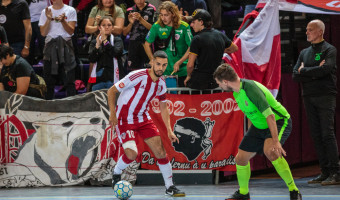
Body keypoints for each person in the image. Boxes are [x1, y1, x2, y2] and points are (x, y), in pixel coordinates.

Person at [213, 63, 302, 200]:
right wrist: (250, 136)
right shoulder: (236, 93)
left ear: (225, 81)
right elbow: (250, 114)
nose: (220, 86)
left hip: (278, 121)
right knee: (240, 158)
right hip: (258, 125)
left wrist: (276, 142)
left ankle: (294, 190)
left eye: (219, 83)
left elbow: (270, 116)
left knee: (272, 152)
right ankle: (243, 193)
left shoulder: (251, 89)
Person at [107, 50, 185, 197]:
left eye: (164, 65)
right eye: (158, 64)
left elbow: (163, 106)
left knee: (160, 152)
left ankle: (170, 187)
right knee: (131, 154)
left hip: (143, 118)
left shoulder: (161, 84)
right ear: (151, 62)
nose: (161, 68)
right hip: (124, 119)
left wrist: (169, 130)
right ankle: (116, 173)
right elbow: (112, 91)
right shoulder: (137, 76)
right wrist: (112, 113)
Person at [292, 19, 340, 185]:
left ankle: (336, 172)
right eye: (306, 29)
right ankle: (325, 171)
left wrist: (304, 70)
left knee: (327, 133)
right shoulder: (304, 52)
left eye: (310, 30)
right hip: (308, 96)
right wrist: (315, 71)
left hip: (325, 95)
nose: (307, 32)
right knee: (316, 134)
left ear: (320, 31)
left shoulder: (329, 49)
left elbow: (326, 69)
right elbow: (294, 75)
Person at [184, 9, 238, 90]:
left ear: (201, 22)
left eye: (193, 22)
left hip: (199, 83)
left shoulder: (196, 39)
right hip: (216, 82)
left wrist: (188, 76)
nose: (191, 25)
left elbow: (190, 65)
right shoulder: (220, 35)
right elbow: (234, 48)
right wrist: (217, 49)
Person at [144, 1, 192, 87]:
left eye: (166, 15)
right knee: (165, 98)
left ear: (173, 14)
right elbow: (147, 44)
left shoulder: (184, 26)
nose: (163, 18)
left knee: (180, 99)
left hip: (181, 70)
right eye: (161, 15)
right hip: (163, 71)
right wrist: (152, 59)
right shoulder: (157, 26)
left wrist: (179, 62)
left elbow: (191, 47)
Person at [39, 0, 77, 99]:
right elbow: (43, 33)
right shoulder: (45, 11)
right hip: (50, 47)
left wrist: (63, 21)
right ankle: (48, 106)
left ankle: (71, 107)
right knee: (49, 81)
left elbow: (71, 31)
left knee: (69, 81)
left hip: (66, 47)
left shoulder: (70, 10)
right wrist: (48, 19)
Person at [85, 0, 125, 91]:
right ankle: (89, 86)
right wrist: (97, 47)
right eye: (103, 25)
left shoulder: (117, 40)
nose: (106, 27)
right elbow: (91, 58)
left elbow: (115, 53)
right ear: (99, 27)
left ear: (113, 27)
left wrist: (105, 41)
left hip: (113, 77)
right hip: (99, 78)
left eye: (109, 25)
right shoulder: (94, 42)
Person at [123, 0, 156, 71]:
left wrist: (141, 19)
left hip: (147, 43)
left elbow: (154, 29)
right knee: (133, 71)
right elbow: (125, 33)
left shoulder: (152, 9)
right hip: (133, 45)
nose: (139, 1)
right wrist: (131, 23)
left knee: (149, 70)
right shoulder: (129, 10)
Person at [28, 0, 50, 65]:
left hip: (43, 21)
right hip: (28, 21)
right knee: (30, 46)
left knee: (44, 45)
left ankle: (47, 66)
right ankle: (30, 67)